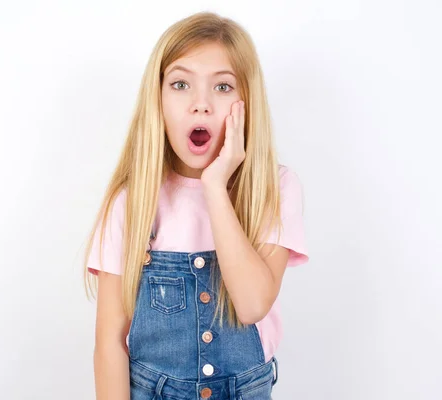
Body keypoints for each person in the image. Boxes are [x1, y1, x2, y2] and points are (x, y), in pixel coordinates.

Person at [83, 11, 309, 400]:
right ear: (158, 99)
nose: (200, 104)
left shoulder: (275, 189)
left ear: (247, 102)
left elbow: (253, 304)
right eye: (181, 84)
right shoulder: (132, 202)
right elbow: (109, 346)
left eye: (222, 87)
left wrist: (216, 187)